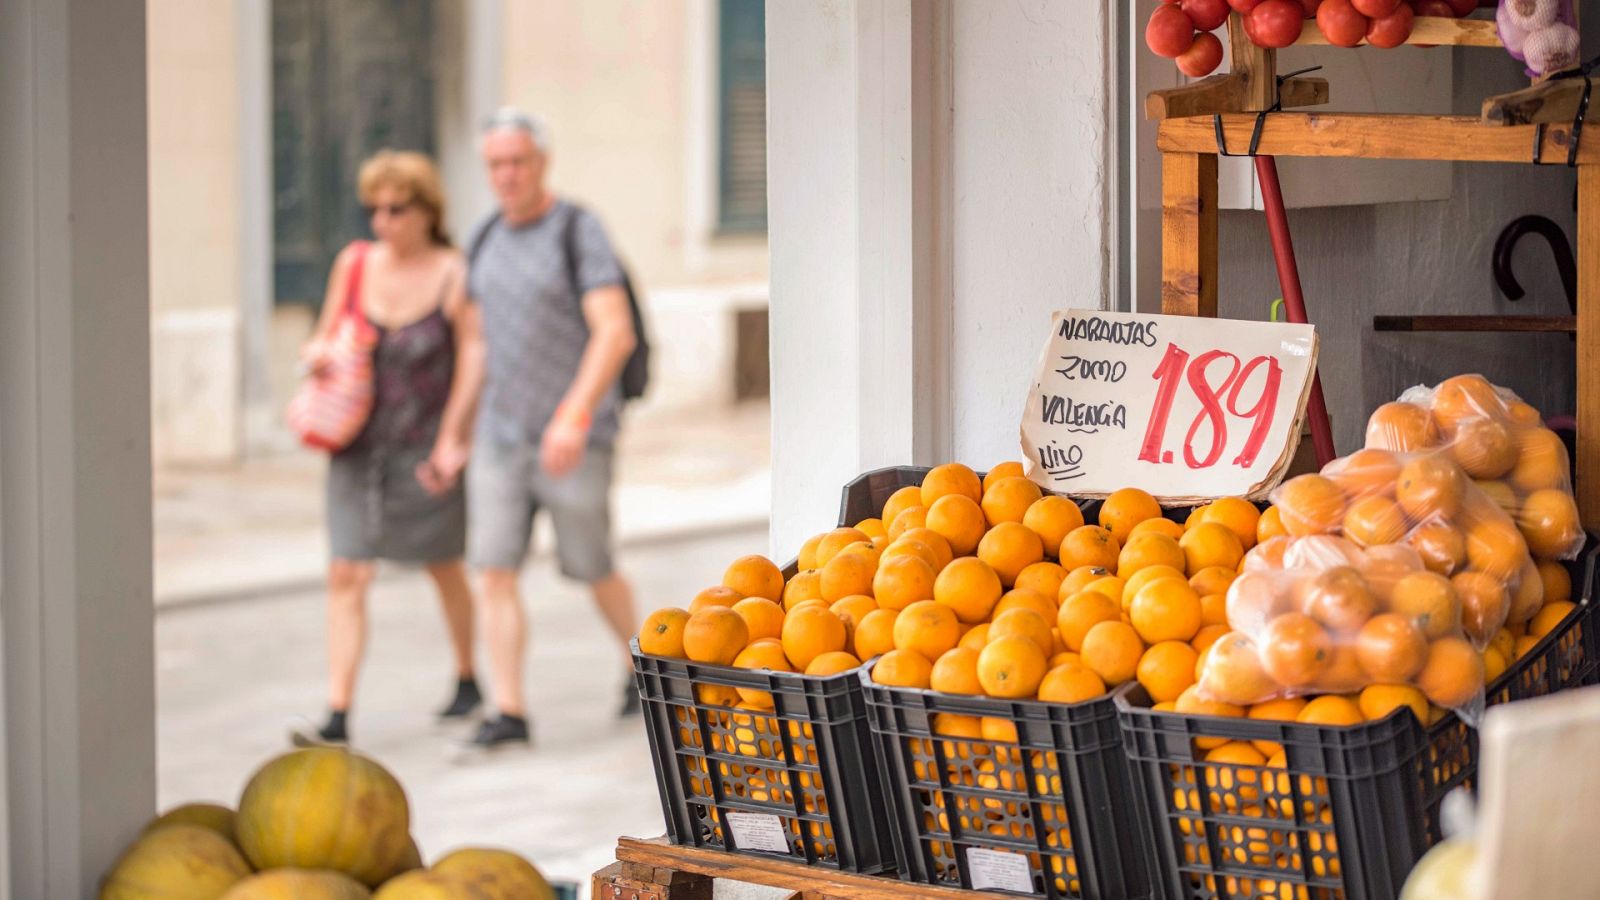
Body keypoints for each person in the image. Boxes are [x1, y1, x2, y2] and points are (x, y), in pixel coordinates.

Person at [456, 108, 641, 750]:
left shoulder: (576, 229)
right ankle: (509, 710)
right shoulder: (482, 239)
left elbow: (614, 332)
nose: (506, 175)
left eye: (517, 162)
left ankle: (638, 667)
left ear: (541, 163)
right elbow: (476, 347)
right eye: (495, 164)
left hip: (575, 435)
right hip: (500, 436)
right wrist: (454, 430)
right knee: (493, 570)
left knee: (592, 566)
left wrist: (574, 412)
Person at [294, 150, 483, 746]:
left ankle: (467, 675)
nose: (383, 222)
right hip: (355, 448)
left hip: (423, 448)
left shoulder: (454, 272)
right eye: (374, 209)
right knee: (347, 570)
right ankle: (338, 711)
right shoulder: (354, 264)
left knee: (443, 564)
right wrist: (316, 354)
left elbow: (475, 359)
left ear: (427, 211)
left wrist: (455, 439)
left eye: (396, 209)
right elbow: (325, 333)